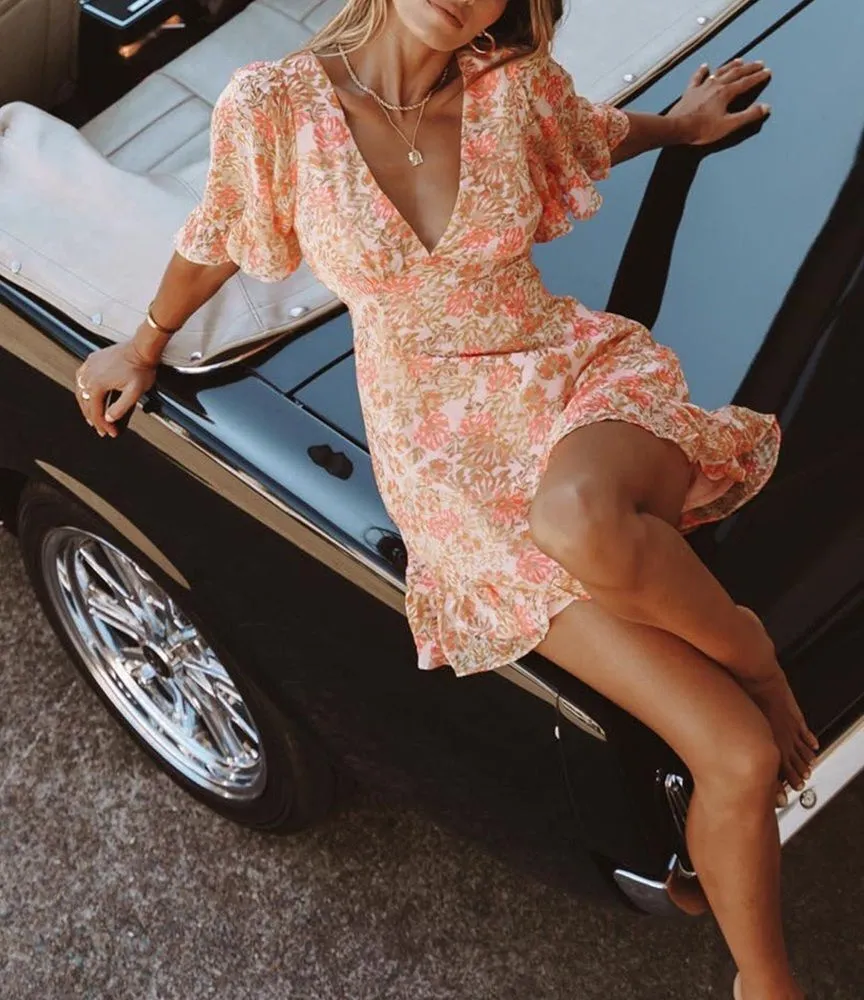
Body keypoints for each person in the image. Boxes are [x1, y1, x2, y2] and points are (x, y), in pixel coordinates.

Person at [73, 0, 818, 996]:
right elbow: (217, 232)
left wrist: (679, 128)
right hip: (444, 462)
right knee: (737, 753)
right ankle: (768, 984)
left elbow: (592, 135)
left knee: (578, 519)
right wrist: (144, 341)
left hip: (563, 376)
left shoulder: (513, 90)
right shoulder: (275, 107)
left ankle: (753, 654)